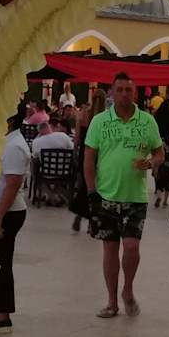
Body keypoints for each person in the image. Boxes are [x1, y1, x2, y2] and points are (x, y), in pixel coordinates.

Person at [84, 71, 164, 317]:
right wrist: (92, 193)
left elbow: (160, 153)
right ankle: (112, 301)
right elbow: (89, 159)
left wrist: (150, 163)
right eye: (119, 89)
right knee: (109, 250)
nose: (124, 94)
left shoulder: (147, 121)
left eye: (128, 89)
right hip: (106, 195)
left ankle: (127, 289)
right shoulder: (99, 121)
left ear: (135, 93)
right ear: (112, 92)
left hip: (135, 197)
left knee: (131, 247)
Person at [0, 106, 30, 331]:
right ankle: (0, 306)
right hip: (0, 209)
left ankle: (3, 312)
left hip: (7, 212)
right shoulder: (6, 141)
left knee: (2, 262)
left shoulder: (14, 146)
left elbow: (12, 185)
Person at [68, 90, 105, 233]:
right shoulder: (105, 117)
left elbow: (77, 137)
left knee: (84, 185)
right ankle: (92, 221)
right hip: (100, 155)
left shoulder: (83, 114)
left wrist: (75, 153)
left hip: (85, 153)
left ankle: (79, 215)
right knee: (98, 188)